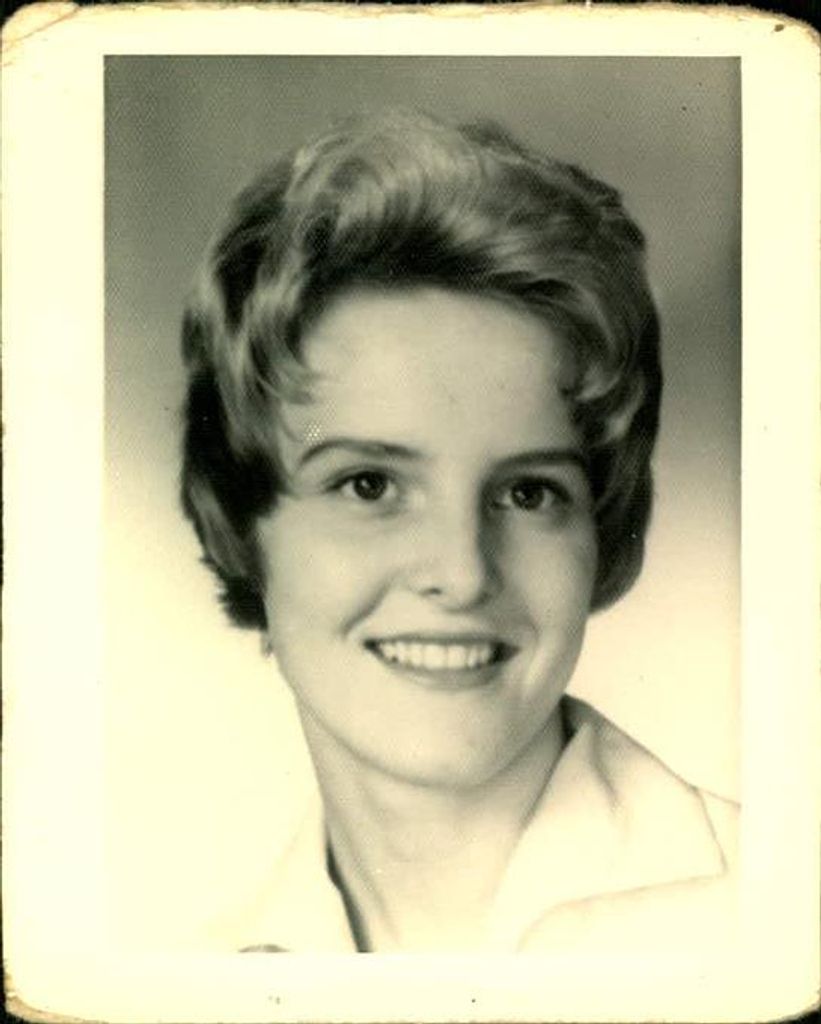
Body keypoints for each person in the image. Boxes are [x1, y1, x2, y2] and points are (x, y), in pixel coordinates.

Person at [179, 110, 738, 953]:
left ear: (602, 528)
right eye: (368, 484)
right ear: (240, 522)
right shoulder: (195, 983)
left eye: (528, 493)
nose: (463, 571)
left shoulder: (780, 915)